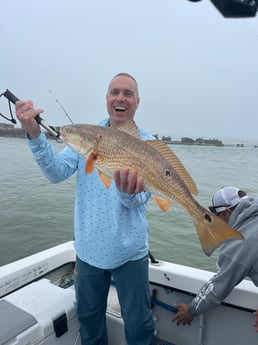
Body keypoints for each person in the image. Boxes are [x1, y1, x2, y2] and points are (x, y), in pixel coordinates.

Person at [15, 73, 155, 345]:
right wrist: (34, 135)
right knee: (89, 321)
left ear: (137, 101)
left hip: (130, 252)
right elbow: (56, 172)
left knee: (139, 323)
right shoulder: (86, 137)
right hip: (89, 250)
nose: (121, 98)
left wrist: (128, 194)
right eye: (115, 92)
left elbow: (141, 199)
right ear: (107, 99)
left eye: (128, 93)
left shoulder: (147, 145)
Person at [173, 186, 258, 328]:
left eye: (216, 217)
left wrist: (192, 310)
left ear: (227, 211)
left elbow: (219, 286)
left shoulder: (240, 244)